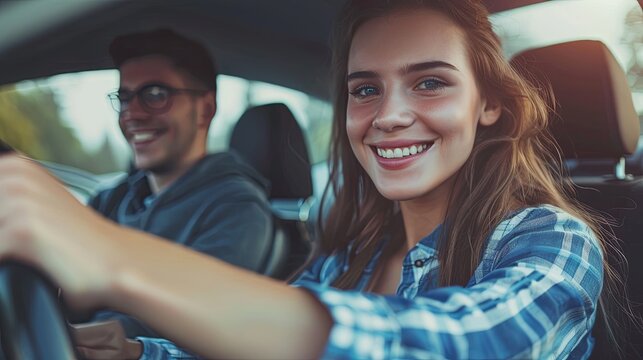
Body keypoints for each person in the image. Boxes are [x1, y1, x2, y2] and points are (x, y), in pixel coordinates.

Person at [0, 0, 624, 359]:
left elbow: (463, 345)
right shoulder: (351, 252)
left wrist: (113, 258)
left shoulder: (554, 242)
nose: (389, 115)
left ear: (487, 103)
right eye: (364, 89)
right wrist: (142, 353)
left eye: (430, 82)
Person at [76, 28, 274, 337]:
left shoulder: (236, 208)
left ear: (205, 110)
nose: (132, 114)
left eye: (155, 95)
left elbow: (193, 319)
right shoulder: (109, 201)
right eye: (125, 98)